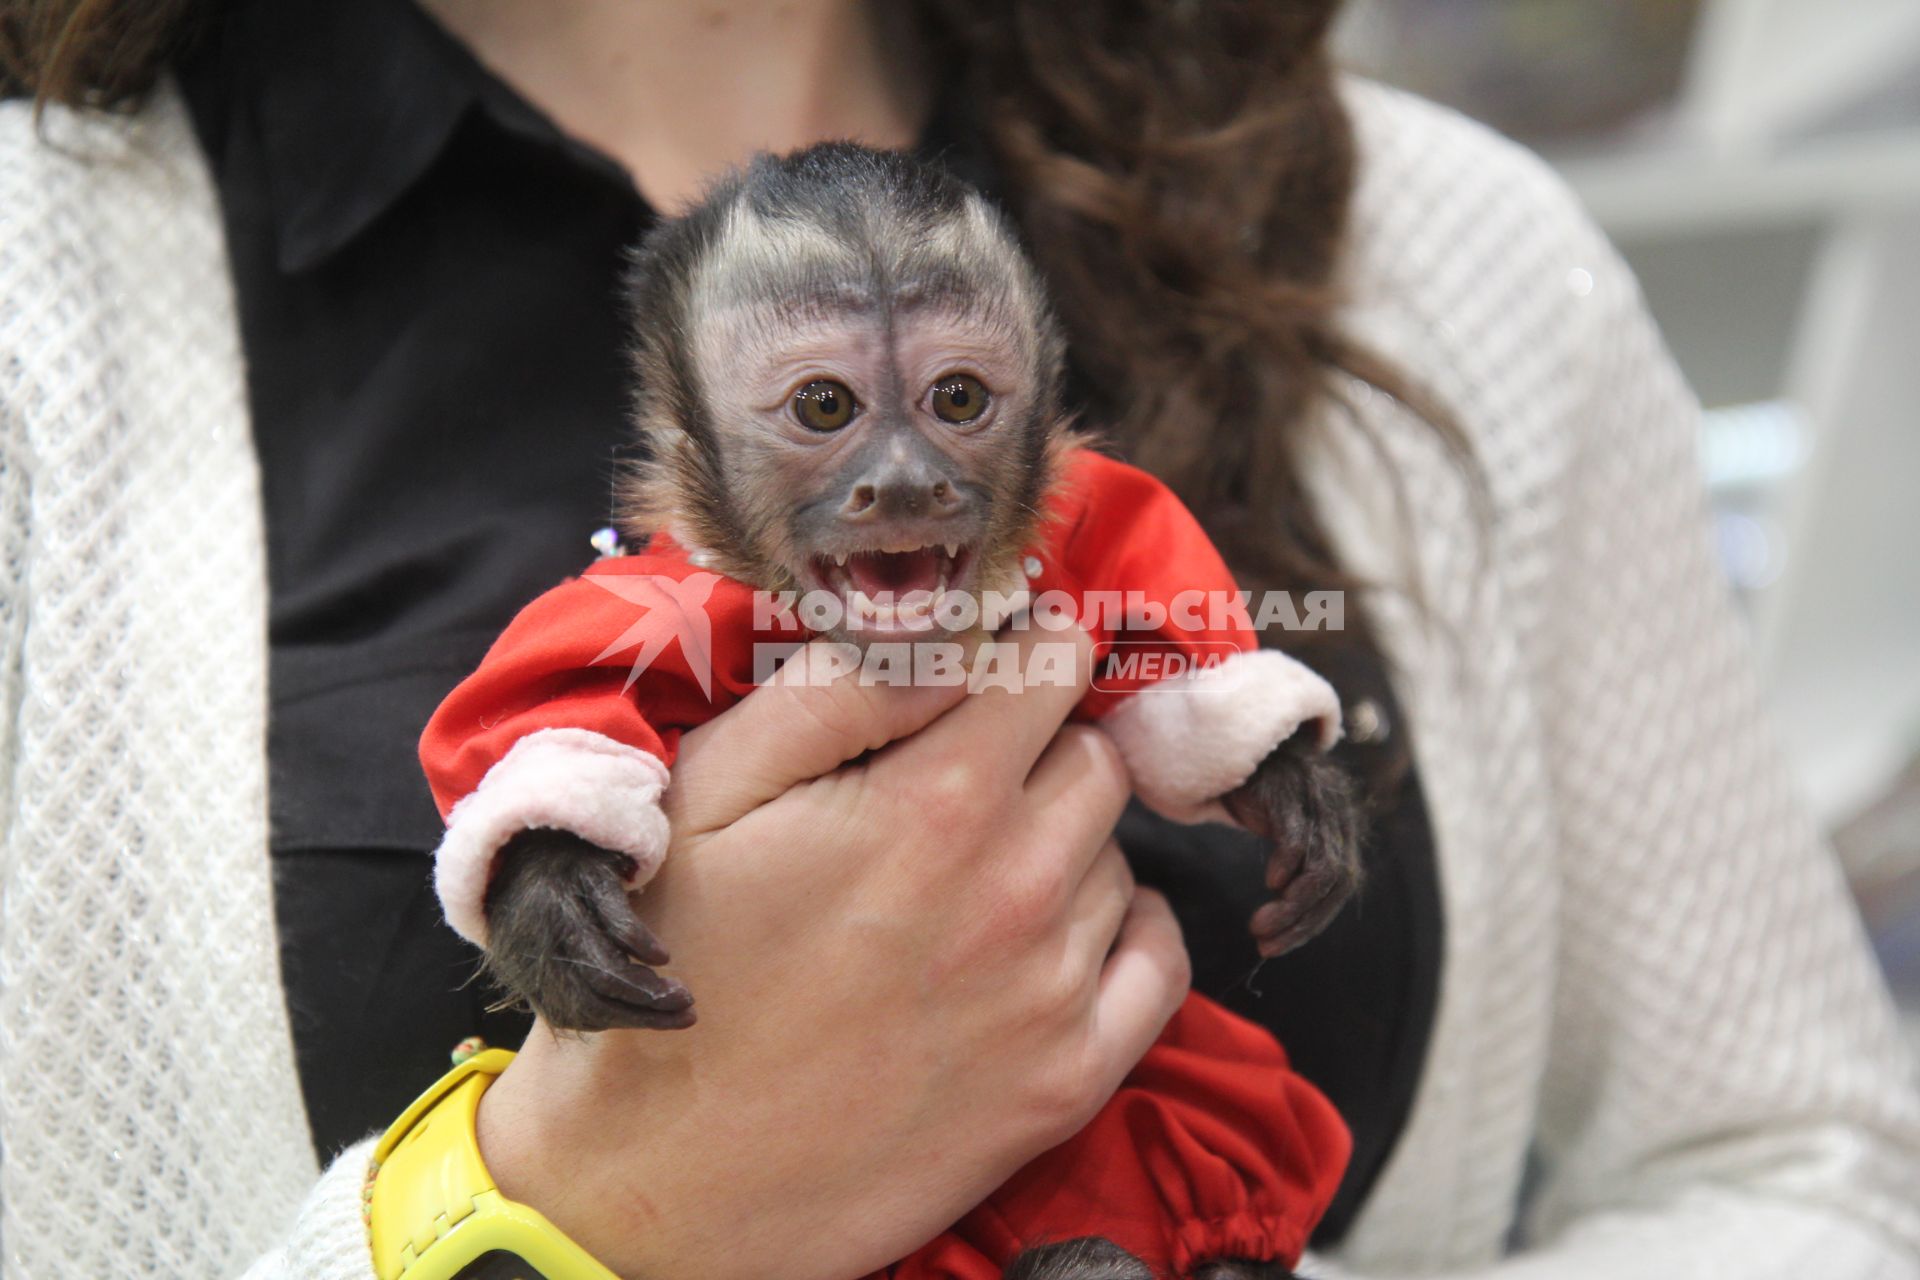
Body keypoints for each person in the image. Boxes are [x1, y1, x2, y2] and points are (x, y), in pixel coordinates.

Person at [0, 2, 1914, 1278]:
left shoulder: (1449, 253)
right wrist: (589, 1207)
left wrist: (1251, 734)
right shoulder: (40, 301)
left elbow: (1797, 1174)